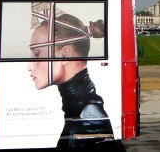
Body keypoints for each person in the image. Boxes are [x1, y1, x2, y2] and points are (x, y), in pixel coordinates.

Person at [27, 12, 113, 148]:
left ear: (65, 54)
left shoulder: (88, 119)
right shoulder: (79, 111)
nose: (29, 66)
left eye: (37, 54)